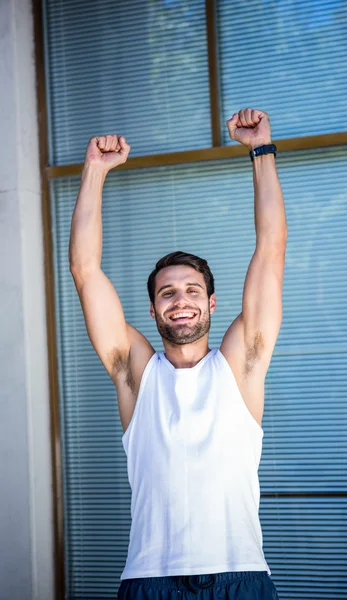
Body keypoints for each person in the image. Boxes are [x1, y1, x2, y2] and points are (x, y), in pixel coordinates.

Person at [69, 108, 287, 599]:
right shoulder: (136, 376)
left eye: (192, 290)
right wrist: (95, 170)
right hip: (150, 581)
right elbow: (85, 269)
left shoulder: (242, 365)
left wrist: (260, 151)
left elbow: (271, 249)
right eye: (168, 293)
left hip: (242, 577)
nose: (181, 300)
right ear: (153, 309)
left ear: (211, 303)